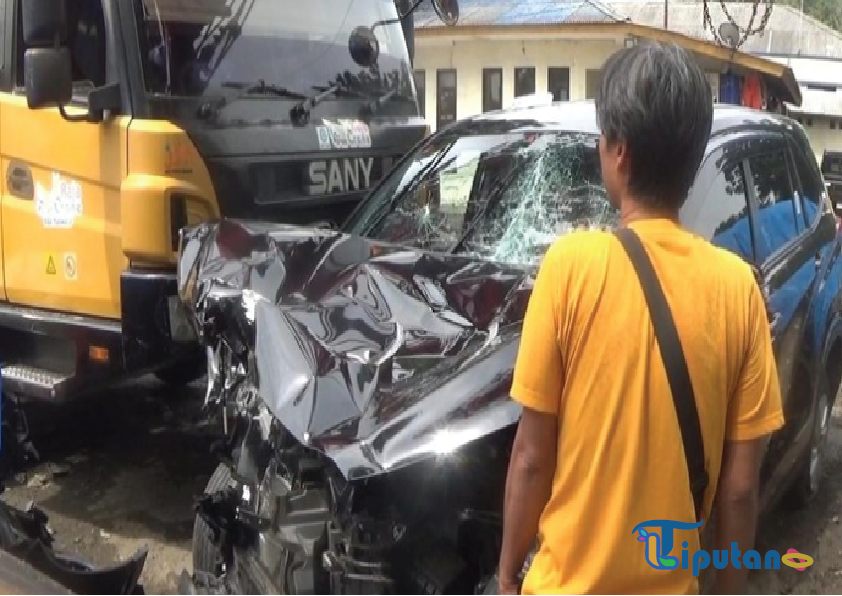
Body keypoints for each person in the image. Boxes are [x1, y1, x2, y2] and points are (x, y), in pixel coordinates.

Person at [496, 42, 784, 595]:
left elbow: (532, 458)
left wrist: (508, 573)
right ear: (694, 159)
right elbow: (740, 491)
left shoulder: (570, 266)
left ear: (619, 152)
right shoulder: (738, 291)